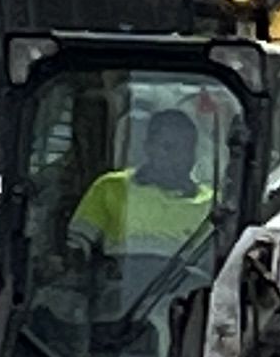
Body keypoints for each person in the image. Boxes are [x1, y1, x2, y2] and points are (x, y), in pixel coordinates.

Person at [71, 105, 221, 257]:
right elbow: (77, 244)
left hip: (190, 281)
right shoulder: (111, 188)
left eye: (186, 149)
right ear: (148, 147)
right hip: (120, 278)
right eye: (168, 147)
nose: (177, 157)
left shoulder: (213, 204)